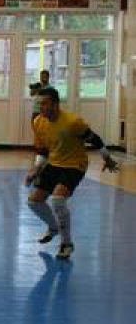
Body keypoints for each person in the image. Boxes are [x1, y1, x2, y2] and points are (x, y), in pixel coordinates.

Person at [25, 87, 119, 259]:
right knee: (33, 202)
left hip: (75, 165)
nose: (40, 107)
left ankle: (66, 244)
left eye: (44, 103)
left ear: (55, 104)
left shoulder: (72, 122)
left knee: (58, 200)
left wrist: (107, 159)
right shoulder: (39, 122)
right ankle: (53, 227)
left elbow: (95, 139)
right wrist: (36, 169)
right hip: (54, 163)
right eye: (39, 104)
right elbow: (44, 149)